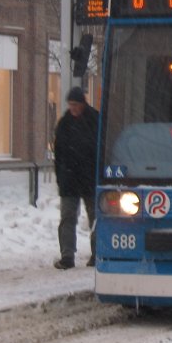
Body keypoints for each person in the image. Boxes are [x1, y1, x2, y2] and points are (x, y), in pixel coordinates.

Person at [53, 86, 99, 269]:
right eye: (70, 105)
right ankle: (67, 256)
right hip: (70, 179)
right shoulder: (64, 123)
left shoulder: (94, 120)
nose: (72, 108)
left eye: (75, 105)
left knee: (95, 218)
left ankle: (97, 254)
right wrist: (60, 178)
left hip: (89, 178)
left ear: (82, 103)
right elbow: (59, 154)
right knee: (67, 217)